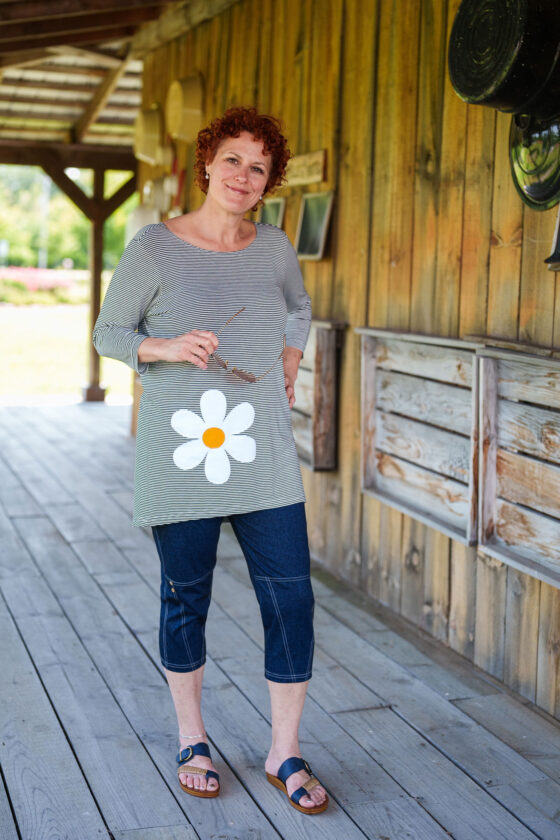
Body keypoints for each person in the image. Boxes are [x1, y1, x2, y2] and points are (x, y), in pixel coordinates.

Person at [93, 106, 329, 815]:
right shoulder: (155, 248)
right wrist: (164, 348)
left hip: (262, 451)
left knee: (291, 596)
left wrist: (290, 355)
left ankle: (284, 749)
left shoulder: (275, 248)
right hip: (180, 452)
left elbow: (299, 307)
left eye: (259, 167)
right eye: (233, 159)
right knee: (184, 595)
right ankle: (192, 735)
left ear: (269, 182)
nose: (244, 175)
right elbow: (111, 331)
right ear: (207, 163)